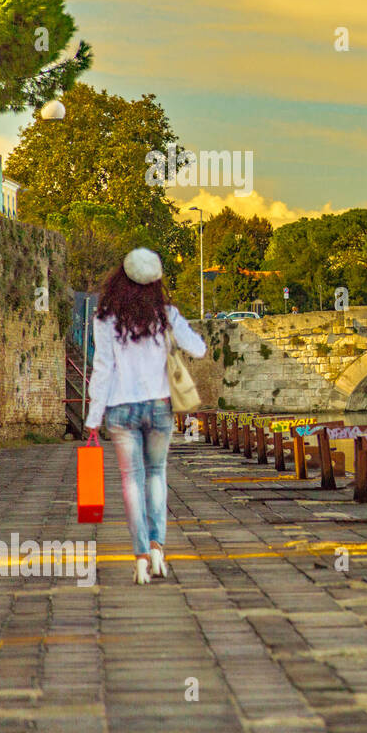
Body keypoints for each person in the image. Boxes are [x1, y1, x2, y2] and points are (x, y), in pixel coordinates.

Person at [84, 248, 207, 584]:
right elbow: (199, 349)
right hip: (159, 406)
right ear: (156, 281)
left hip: (121, 408)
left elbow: (103, 369)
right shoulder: (166, 315)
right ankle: (157, 549)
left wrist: (93, 417)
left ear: (120, 280)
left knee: (131, 481)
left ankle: (139, 557)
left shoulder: (105, 319)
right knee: (157, 475)